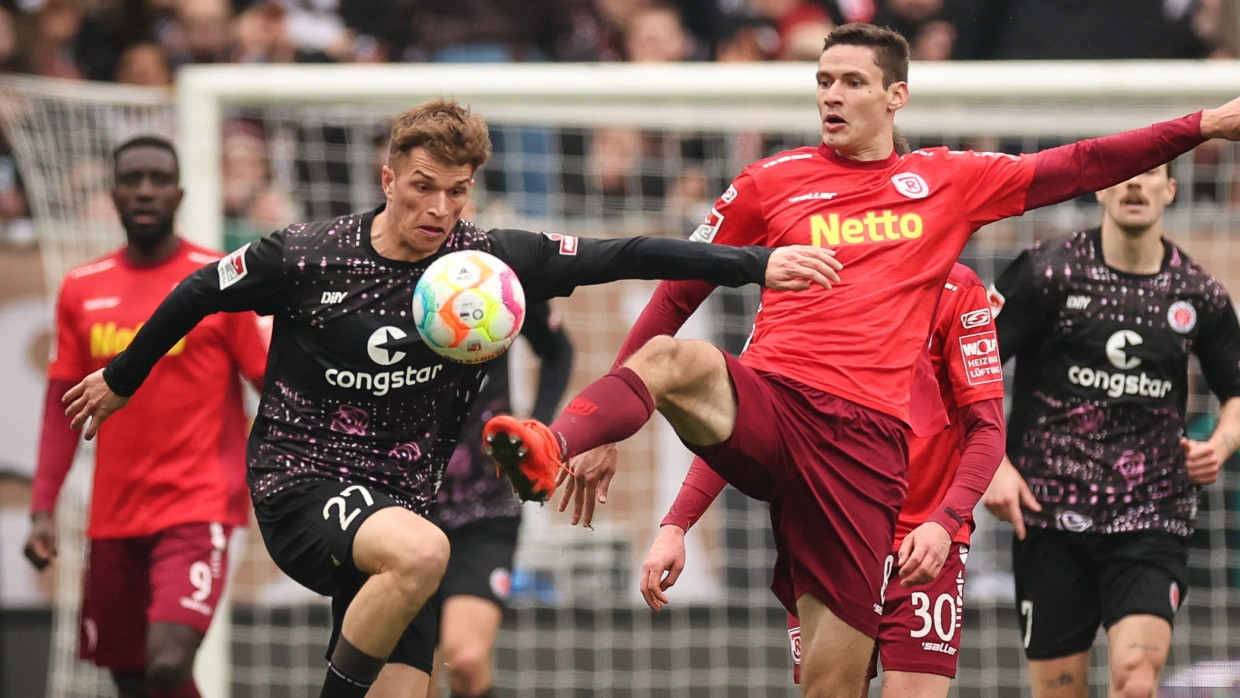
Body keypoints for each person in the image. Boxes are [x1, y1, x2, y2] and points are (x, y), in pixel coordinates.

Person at [480, 22, 1240, 697]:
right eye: (822, 81)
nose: (831, 96)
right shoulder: (768, 182)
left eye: (850, 82)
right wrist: (609, 432)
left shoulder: (948, 182)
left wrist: (1202, 124)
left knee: (833, 682)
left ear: (895, 96)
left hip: (863, 456)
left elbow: (1080, 163)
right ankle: (554, 443)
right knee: (679, 357)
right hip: (776, 404)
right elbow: (678, 289)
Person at [59, 99, 842, 698]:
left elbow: (626, 254)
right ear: (388, 177)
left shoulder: (488, 264)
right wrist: (124, 377)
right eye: (423, 189)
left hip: (402, 500)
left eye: (456, 193)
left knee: (415, 661)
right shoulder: (305, 256)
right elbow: (200, 288)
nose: (438, 210)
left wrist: (754, 264)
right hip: (303, 484)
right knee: (425, 553)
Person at [639, 262, 1005, 696]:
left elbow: (987, 426)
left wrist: (945, 523)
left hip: (923, 542)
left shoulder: (954, 285)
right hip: (829, 534)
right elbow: (740, 412)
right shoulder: (808, 277)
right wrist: (676, 524)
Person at [980, 161, 1240, 697]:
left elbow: (1236, 390)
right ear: (1101, 188)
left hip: (1152, 517)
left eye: (1150, 176)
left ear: (1170, 191)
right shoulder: (1048, 273)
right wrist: (992, 466)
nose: (1134, 184)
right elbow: (968, 366)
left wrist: (1221, 444)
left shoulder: (1199, 295)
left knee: (1136, 679)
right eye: (1124, 173)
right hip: (1048, 516)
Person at [22, 135, 268, 698]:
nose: (145, 191)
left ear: (180, 192)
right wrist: (42, 506)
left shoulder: (218, 280)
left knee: (167, 660)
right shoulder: (82, 289)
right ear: (112, 191)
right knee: (131, 680)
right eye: (132, 179)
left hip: (197, 503)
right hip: (114, 514)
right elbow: (62, 408)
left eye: (158, 179)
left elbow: (269, 385)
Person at [428, 299, 574, 698]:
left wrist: (539, 427)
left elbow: (559, 348)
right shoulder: (380, 280)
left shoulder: (492, 279)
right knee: (417, 679)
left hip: (485, 509)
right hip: (406, 514)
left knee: (465, 661)